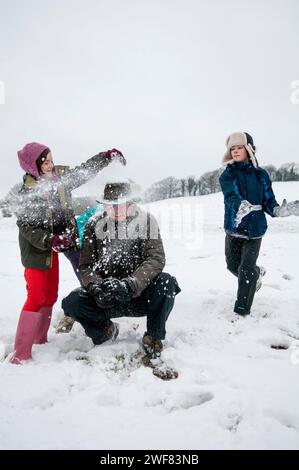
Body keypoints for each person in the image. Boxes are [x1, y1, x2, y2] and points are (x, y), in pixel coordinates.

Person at [11, 143, 126, 364]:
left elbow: (85, 171)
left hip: (66, 239)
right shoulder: (27, 193)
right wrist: (48, 240)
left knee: (55, 293)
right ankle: (21, 353)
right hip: (39, 249)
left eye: (51, 160)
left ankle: (41, 339)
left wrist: (104, 156)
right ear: (33, 166)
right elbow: (26, 228)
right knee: (37, 296)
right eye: (45, 162)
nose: (50, 165)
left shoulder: (60, 178)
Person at [61, 180, 181, 358]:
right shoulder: (93, 225)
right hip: (106, 298)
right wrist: (96, 286)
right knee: (73, 301)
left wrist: (131, 284)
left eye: (119, 205)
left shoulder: (146, 221)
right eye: (110, 206)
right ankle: (105, 331)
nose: (115, 210)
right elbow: (86, 266)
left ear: (130, 203)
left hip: (139, 294)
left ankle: (153, 336)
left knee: (166, 282)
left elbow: (155, 258)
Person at [219, 132, 299, 317]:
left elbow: (268, 201)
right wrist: (240, 206)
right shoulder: (227, 175)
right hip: (234, 229)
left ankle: (241, 312)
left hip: (255, 230)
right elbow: (231, 196)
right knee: (233, 266)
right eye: (232, 148)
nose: (235, 151)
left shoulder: (261, 175)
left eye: (239, 147)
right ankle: (257, 274)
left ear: (249, 149)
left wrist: (279, 211)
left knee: (245, 271)